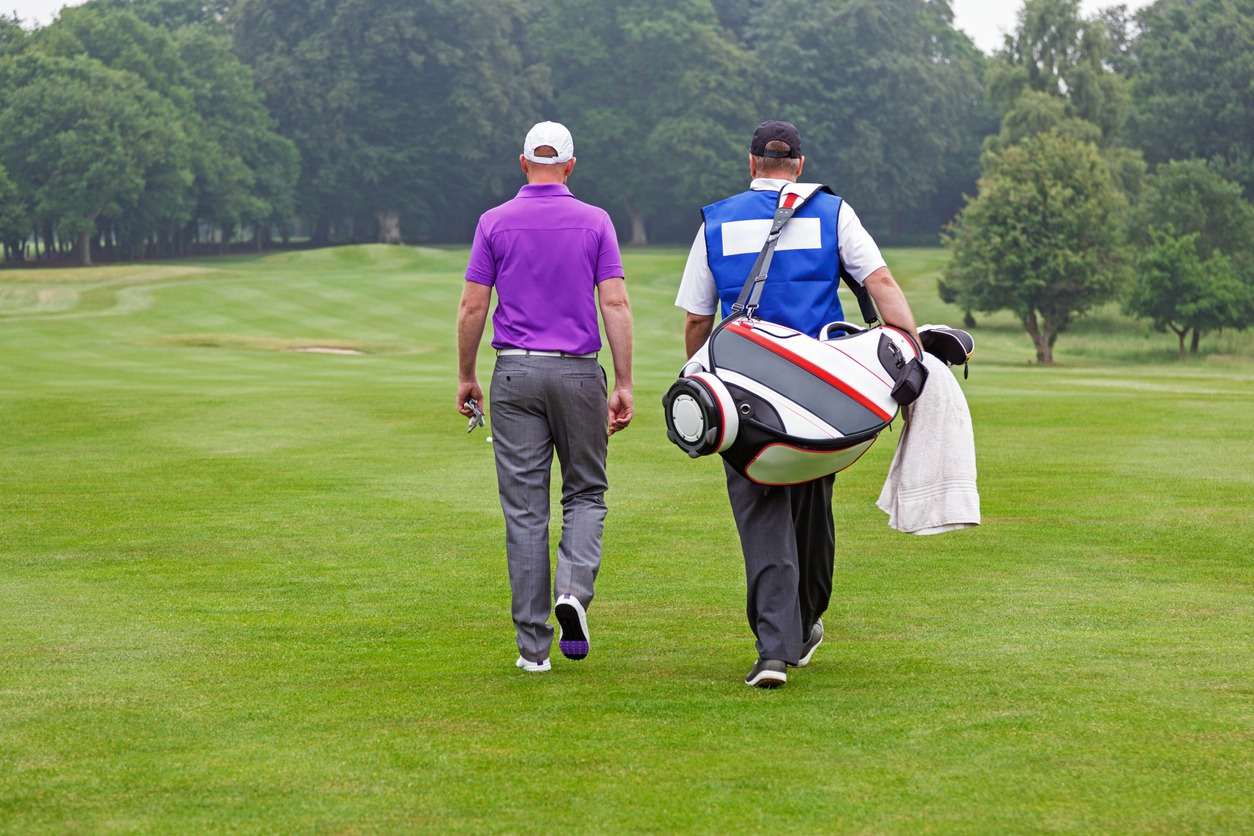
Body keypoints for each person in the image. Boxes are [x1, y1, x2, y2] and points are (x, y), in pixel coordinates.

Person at [674, 120, 920, 688]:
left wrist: (703, 376)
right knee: (812, 504)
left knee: (762, 510)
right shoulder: (834, 213)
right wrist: (909, 349)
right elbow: (878, 282)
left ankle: (774, 650)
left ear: (752, 162)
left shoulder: (716, 219)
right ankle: (803, 622)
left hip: (742, 396)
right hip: (819, 393)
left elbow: (695, 319)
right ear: (800, 166)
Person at [457, 121, 634, 674]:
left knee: (525, 511)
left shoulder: (494, 222)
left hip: (512, 375)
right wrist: (624, 382)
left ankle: (533, 650)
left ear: (523, 162)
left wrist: (466, 375)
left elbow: (471, 307)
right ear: (571, 166)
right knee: (585, 493)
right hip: (579, 374)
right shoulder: (596, 222)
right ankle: (573, 593)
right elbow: (617, 305)